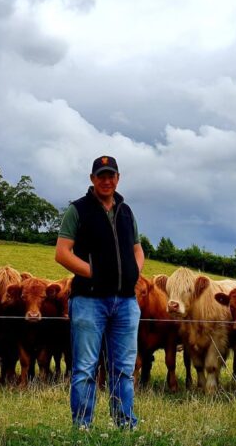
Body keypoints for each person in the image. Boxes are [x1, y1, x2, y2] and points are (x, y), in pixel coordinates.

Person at [55, 155, 144, 430]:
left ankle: (125, 425)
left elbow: (137, 249)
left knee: (124, 370)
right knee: (85, 369)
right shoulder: (78, 210)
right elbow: (62, 253)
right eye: (101, 176)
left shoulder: (126, 211)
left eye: (111, 175)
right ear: (92, 179)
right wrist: (94, 272)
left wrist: (134, 271)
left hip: (126, 301)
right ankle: (82, 426)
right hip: (89, 300)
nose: (107, 180)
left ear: (118, 178)